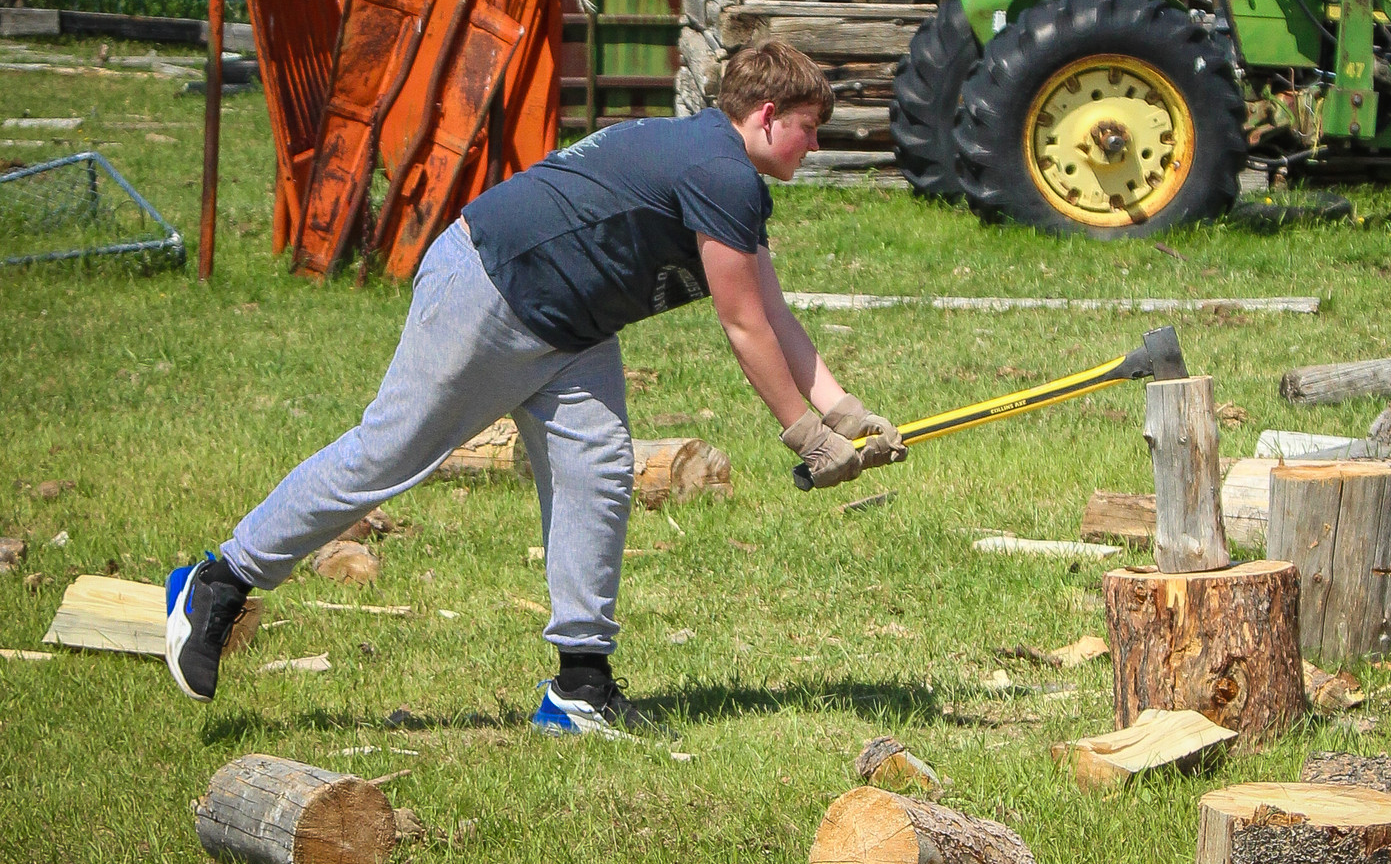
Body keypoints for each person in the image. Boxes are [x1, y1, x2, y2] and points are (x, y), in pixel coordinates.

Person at [164, 41, 906, 734]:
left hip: (572, 326)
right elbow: (743, 326)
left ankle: (579, 686)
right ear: (768, 115)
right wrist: (805, 435)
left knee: (597, 471)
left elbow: (774, 313)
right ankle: (220, 579)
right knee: (388, 455)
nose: (815, 145)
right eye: (809, 127)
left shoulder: (721, 170)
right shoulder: (721, 172)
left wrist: (843, 412)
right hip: (491, 290)